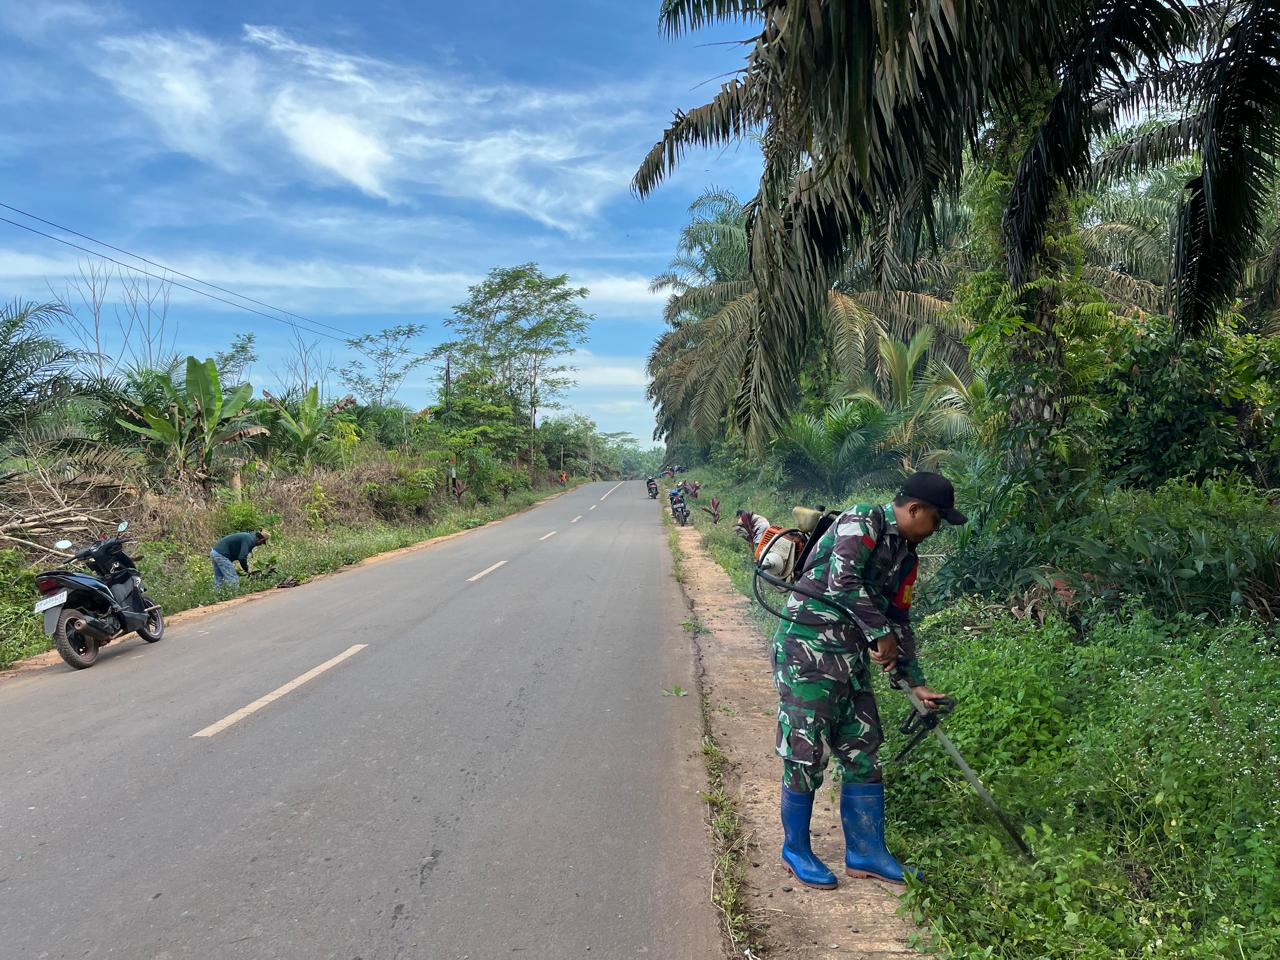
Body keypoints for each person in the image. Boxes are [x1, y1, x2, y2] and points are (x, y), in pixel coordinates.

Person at [773, 472, 965, 889]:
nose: (935, 529)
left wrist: (914, 681)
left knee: (864, 747)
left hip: (850, 659)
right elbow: (842, 583)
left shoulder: (907, 557)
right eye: (935, 520)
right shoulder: (861, 521)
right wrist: (880, 633)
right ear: (914, 509)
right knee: (806, 751)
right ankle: (796, 849)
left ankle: (866, 852)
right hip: (807, 650)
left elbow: (899, 619)